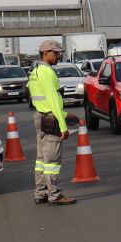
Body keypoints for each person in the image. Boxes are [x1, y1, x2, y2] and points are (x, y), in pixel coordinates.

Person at [27, 39, 77, 206]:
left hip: (40, 117)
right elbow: (53, 100)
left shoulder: (35, 71)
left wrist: (64, 113)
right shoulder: (48, 73)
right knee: (52, 161)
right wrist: (63, 126)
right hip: (50, 119)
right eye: (56, 53)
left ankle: (40, 193)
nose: (58, 57)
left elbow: (41, 99)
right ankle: (54, 195)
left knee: (41, 158)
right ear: (46, 53)